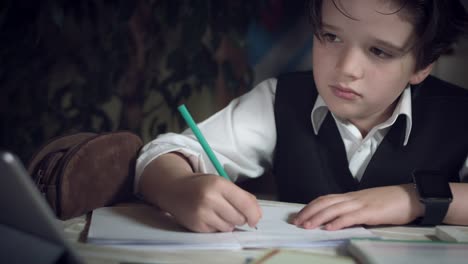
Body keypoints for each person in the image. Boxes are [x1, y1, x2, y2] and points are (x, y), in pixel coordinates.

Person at [135, 0, 468, 233]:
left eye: (379, 51)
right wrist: (178, 186)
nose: (346, 69)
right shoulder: (281, 99)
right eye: (331, 37)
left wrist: (412, 199)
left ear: (423, 64)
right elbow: (162, 153)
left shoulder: (458, 115)